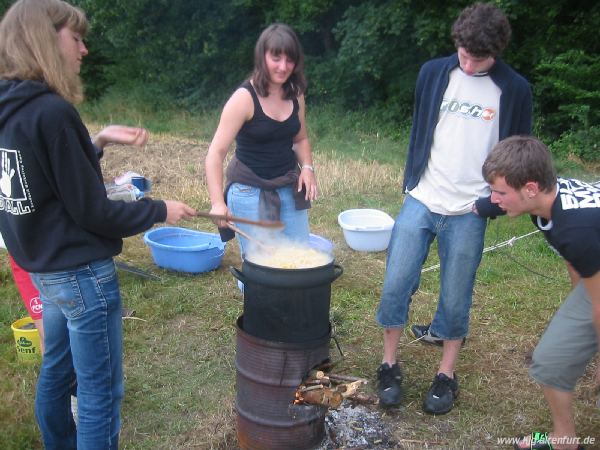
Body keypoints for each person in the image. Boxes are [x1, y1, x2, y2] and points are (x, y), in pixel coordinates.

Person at [0, 1, 196, 449]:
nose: (84, 49)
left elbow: (48, 177)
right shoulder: (51, 111)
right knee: (98, 391)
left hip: (43, 269)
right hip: (81, 272)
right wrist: (158, 209)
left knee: (56, 373)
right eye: (76, 38)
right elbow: (94, 212)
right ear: (45, 39)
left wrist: (98, 141)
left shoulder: (11, 109)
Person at [375, 2, 532, 414]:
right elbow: (420, 130)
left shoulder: (514, 90)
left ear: (496, 52)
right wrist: (411, 180)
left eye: (476, 58)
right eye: (462, 52)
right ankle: (389, 364)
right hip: (423, 198)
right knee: (395, 282)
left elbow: (518, 156)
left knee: (456, 295)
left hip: (470, 210)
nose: (466, 62)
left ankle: (446, 374)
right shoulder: (433, 73)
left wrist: (491, 205)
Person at [479, 136, 596, 450]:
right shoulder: (546, 205)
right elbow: (576, 264)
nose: (494, 200)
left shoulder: (576, 228)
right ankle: (564, 440)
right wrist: (577, 319)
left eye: (500, 192)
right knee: (552, 358)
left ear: (530, 188)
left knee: (554, 358)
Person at [2, 125, 150, 355]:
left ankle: (70, 390)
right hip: (32, 251)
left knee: (59, 347)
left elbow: (61, 170)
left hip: (40, 250)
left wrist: (98, 143)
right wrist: (156, 211)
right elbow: (88, 206)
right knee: (54, 343)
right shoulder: (34, 115)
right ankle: (73, 390)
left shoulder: (31, 115)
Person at [205, 23, 317, 257]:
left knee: (299, 257)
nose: (283, 67)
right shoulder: (244, 98)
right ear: (262, 57)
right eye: (276, 58)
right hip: (248, 192)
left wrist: (307, 168)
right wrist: (217, 203)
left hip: (288, 185)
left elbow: (300, 139)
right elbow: (215, 153)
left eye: (290, 60)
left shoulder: (296, 93)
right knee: (260, 265)